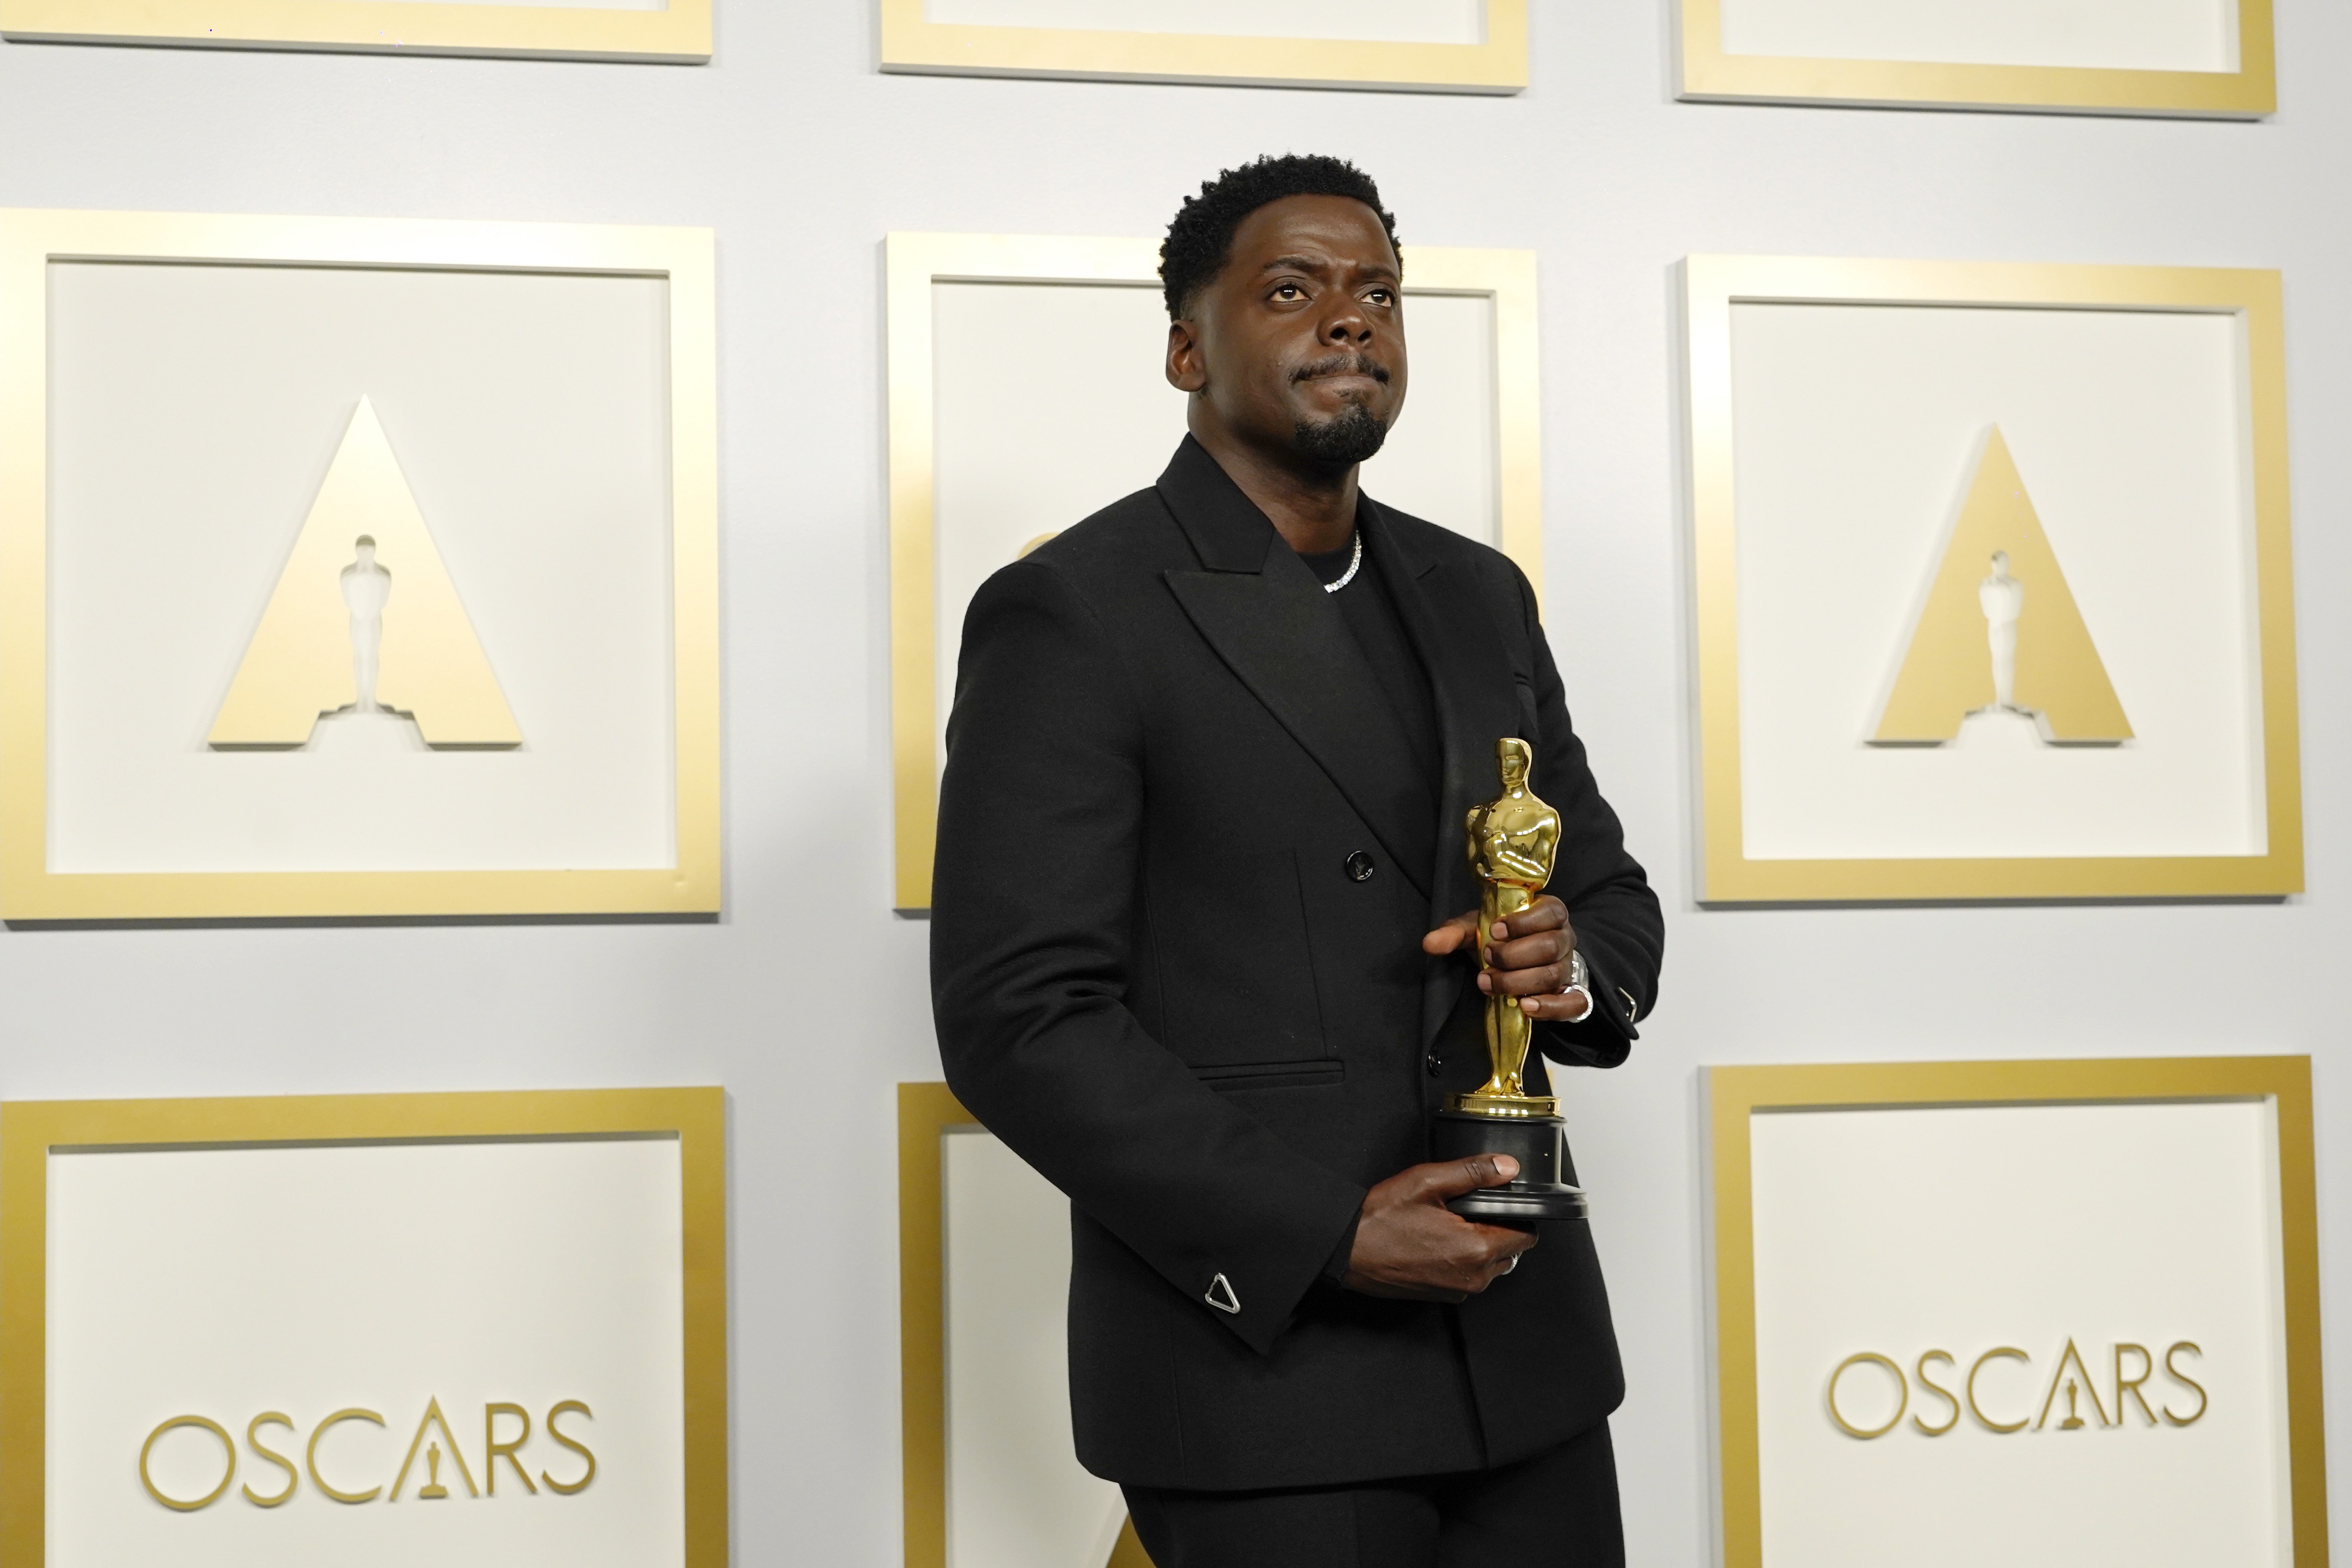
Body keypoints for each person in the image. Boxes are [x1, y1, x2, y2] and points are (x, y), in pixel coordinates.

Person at [930, 154, 1662, 1567]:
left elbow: (1611, 896)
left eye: (1379, 292)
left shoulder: (1478, 593)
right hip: (1263, 1376)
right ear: (1185, 347)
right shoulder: (1071, 612)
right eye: (1294, 289)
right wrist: (1327, 1233)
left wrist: (1568, 970)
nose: (1351, 319)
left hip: (1529, 1357)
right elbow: (1021, 1021)